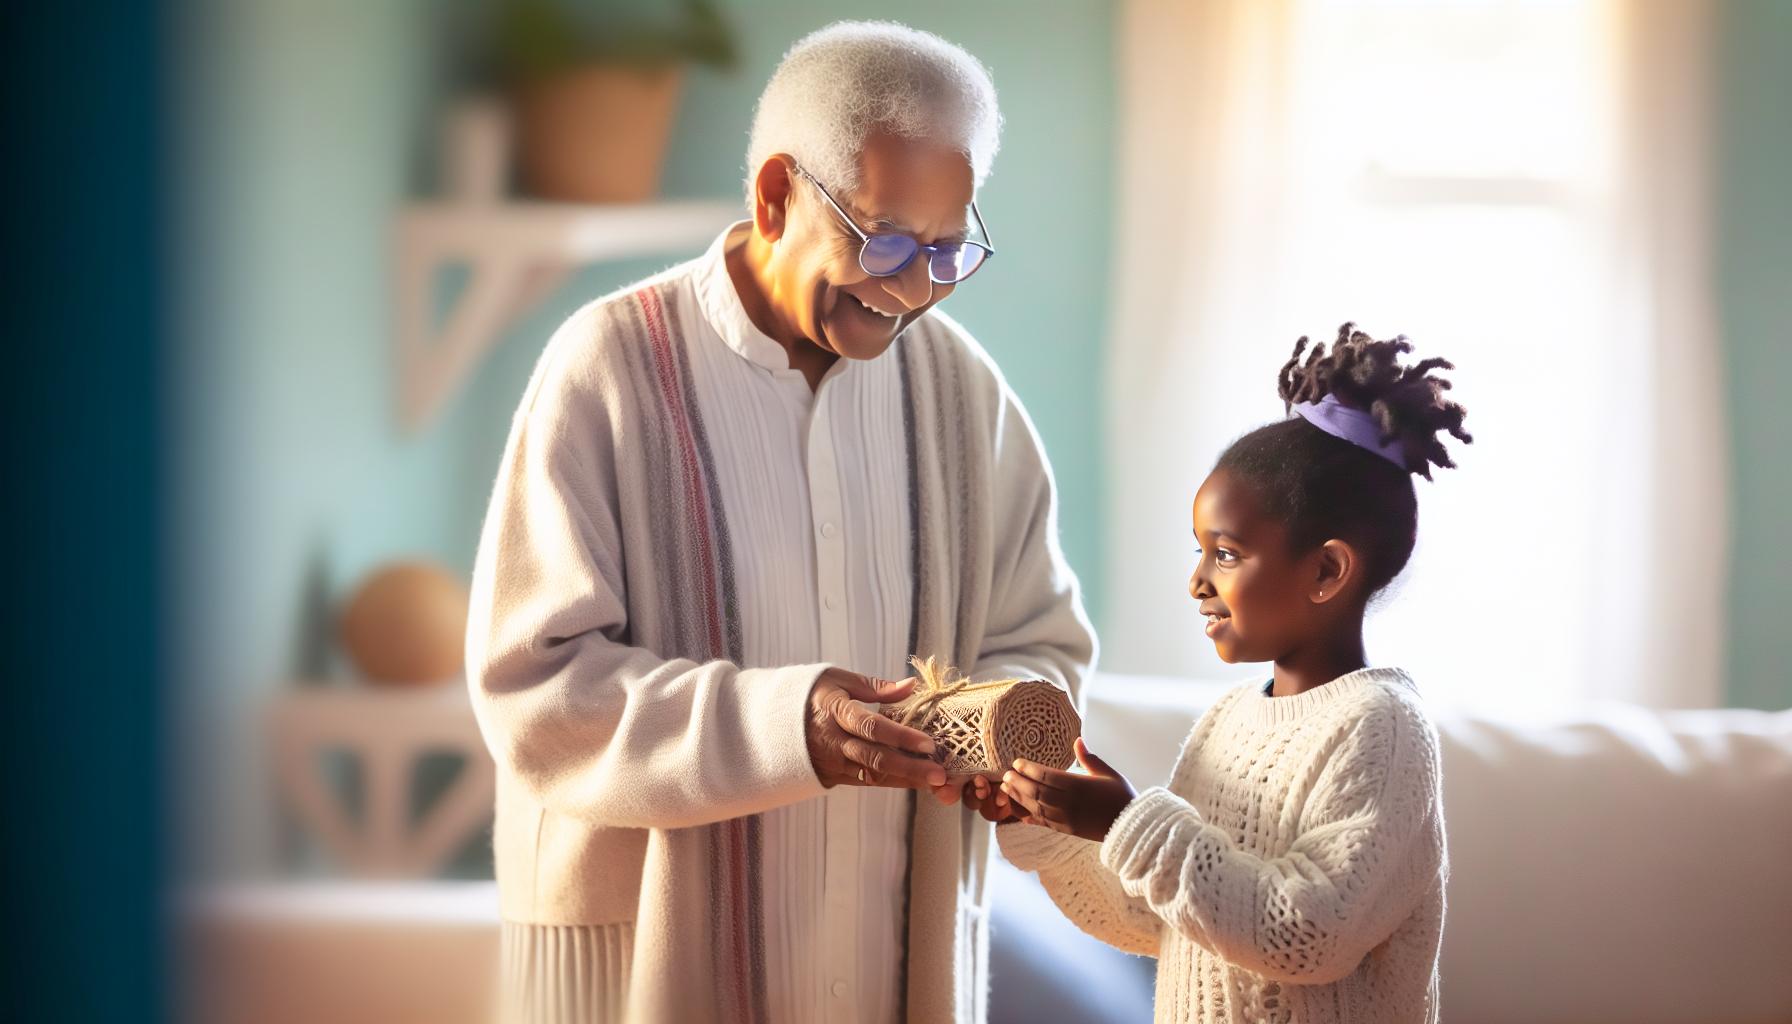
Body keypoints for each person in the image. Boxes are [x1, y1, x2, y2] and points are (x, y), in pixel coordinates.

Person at [465, 20, 1095, 1023]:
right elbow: (535, 686)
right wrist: (787, 725)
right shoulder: (606, 369)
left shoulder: (961, 395)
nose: (914, 290)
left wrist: (999, 733)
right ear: (775, 197)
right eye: (886, 241)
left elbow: (1039, 638)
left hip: (891, 971)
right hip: (645, 973)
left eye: (946, 251)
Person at [996, 325, 1465, 1022]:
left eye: (1225, 554)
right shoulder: (1229, 719)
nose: (1197, 581)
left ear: (1327, 569)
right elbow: (1165, 917)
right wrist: (1059, 830)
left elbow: (1305, 933)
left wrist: (1129, 820)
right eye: (1200, 551)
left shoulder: (1383, 730)